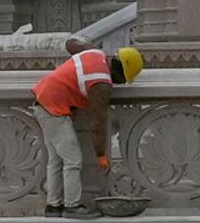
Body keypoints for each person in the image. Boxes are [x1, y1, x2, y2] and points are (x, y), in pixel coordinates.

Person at [31, 44, 145, 219]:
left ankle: (53, 206)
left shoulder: (95, 53)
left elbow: (72, 45)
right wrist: (100, 154)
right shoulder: (101, 84)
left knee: (55, 160)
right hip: (53, 110)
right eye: (122, 79)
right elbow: (98, 122)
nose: (118, 83)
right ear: (120, 70)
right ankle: (71, 206)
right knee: (73, 160)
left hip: (44, 101)